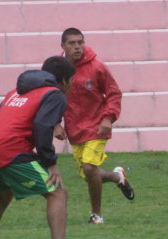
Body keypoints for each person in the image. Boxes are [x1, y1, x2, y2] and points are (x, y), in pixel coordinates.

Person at [0, 56, 84, 239]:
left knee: (3, 195)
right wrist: (51, 163)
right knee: (57, 192)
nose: (72, 85)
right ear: (65, 80)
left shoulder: (15, 93)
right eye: (72, 80)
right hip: (9, 150)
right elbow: (42, 126)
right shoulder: (56, 95)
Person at [54, 27, 134, 225]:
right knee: (89, 175)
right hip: (75, 131)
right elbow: (50, 98)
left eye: (80, 42)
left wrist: (108, 118)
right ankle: (117, 177)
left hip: (97, 127)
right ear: (63, 46)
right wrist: (56, 123)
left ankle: (96, 215)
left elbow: (114, 93)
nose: (77, 47)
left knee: (90, 169)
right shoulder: (57, 70)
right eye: (72, 43)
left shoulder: (97, 67)